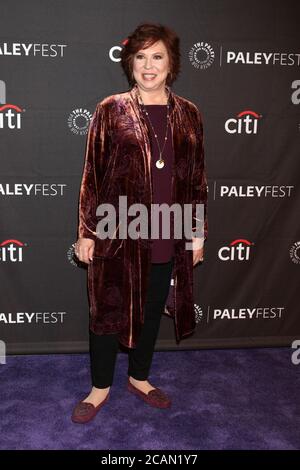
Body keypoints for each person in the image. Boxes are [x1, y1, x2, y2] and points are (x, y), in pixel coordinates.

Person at [72, 22, 208, 424]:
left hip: (169, 228)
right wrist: (86, 231)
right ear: (130, 62)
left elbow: (198, 177)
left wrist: (197, 231)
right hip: (118, 229)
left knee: (150, 311)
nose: (149, 66)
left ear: (172, 63)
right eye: (141, 57)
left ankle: (140, 378)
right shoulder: (110, 109)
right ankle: (100, 387)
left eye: (158, 56)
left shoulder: (189, 114)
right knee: (106, 311)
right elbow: (91, 175)